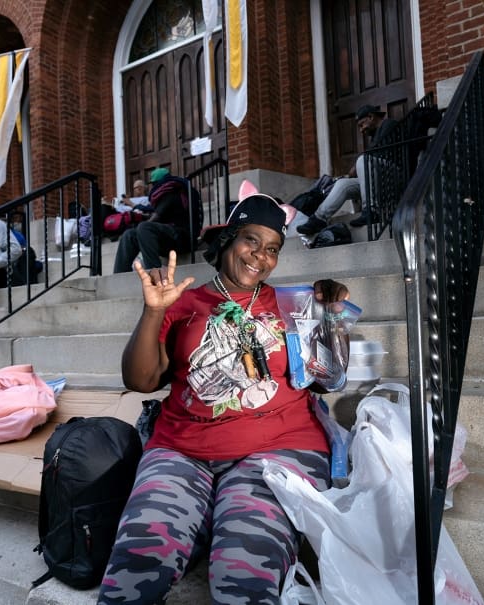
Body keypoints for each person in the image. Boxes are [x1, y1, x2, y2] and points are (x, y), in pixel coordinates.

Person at [98, 193, 350, 604]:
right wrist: (154, 312)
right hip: (182, 448)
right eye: (251, 240)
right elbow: (142, 380)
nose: (260, 256)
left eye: (273, 249)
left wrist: (331, 320)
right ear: (229, 240)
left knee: (242, 579)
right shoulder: (185, 303)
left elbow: (328, 381)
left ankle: (214, 521)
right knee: (135, 566)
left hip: (278, 447)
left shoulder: (292, 305)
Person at [297, 104, 397, 235]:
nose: (361, 130)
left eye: (362, 125)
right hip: (377, 180)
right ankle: (319, 219)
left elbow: (378, 152)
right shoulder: (375, 136)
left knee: (363, 160)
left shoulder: (389, 124)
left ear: (371, 117)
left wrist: (357, 166)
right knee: (342, 184)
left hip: (394, 177)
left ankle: (371, 211)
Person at [112, 167, 194, 274]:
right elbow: (152, 211)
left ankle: (155, 274)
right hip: (167, 238)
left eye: (154, 183)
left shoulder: (172, 193)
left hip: (181, 238)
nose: (153, 187)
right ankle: (119, 275)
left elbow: (156, 216)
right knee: (129, 235)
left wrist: (142, 228)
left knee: (144, 227)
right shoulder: (164, 194)